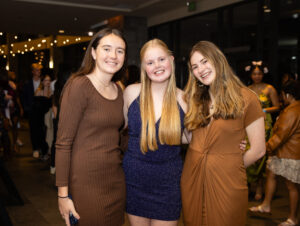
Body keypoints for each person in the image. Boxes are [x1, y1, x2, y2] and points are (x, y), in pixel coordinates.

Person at [181, 41, 266, 226]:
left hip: (227, 181)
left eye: (204, 61)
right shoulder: (193, 99)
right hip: (192, 176)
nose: (200, 69)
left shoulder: (246, 98)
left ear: (218, 60)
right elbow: (189, 138)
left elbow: (259, 149)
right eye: (195, 66)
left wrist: (229, 162)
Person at [55, 28, 127, 226]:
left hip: (115, 181)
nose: (113, 55)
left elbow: (120, 135)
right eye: (107, 49)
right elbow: (63, 144)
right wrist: (63, 195)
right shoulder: (79, 86)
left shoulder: (119, 89)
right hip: (85, 184)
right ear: (94, 53)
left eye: (120, 51)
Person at [122, 39, 188, 226]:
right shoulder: (131, 93)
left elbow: (191, 137)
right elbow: (117, 127)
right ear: (143, 67)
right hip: (135, 181)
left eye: (161, 59)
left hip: (168, 184)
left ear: (171, 60)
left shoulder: (184, 98)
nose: (157, 66)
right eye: (150, 62)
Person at [249, 80, 300, 226]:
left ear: (287, 94)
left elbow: (280, 136)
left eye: (282, 94)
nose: (282, 97)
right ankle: (266, 205)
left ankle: (293, 218)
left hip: (290, 154)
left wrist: (264, 148)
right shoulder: (293, 108)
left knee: (292, 187)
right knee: (271, 174)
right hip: (282, 152)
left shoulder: (292, 111)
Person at [246, 61, 280, 200]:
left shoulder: (269, 88)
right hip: (250, 123)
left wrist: (264, 110)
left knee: (261, 157)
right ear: (251, 75)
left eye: (259, 73)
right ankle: (247, 186)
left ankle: (259, 187)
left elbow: (277, 106)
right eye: (254, 74)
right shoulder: (248, 89)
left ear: (263, 74)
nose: (257, 76)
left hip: (265, 125)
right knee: (248, 154)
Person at [21, 63, 43, 157]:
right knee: (33, 130)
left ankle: (42, 147)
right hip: (32, 110)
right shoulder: (28, 83)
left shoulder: (43, 82)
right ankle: (35, 148)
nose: (39, 72)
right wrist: (26, 108)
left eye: (39, 70)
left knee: (42, 129)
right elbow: (23, 96)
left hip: (42, 110)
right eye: (37, 70)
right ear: (33, 72)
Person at [31, 74, 53, 159]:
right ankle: (43, 151)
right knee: (41, 134)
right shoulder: (38, 91)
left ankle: (47, 151)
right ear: (43, 82)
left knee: (49, 133)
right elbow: (35, 108)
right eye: (46, 80)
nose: (48, 82)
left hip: (48, 116)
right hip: (38, 117)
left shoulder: (51, 92)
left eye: (49, 80)